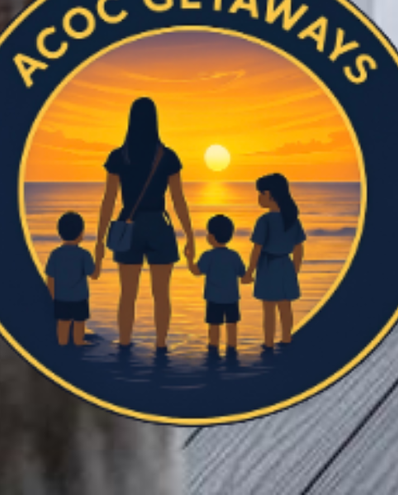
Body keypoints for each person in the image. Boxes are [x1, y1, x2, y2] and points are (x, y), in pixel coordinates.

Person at [91, 93, 194, 351]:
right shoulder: (167, 156)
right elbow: (178, 200)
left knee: (127, 295)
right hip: (159, 226)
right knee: (161, 294)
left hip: (128, 226)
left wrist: (100, 239)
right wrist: (190, 235)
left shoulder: (119, 156)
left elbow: (109, 200)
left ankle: (125, 343)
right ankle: (161, 346)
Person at [250, 172, 306, 351]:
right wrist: (295, 270)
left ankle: (268, 343)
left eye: (261, 193)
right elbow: (299, 248)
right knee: (285, 306)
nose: (259, 197)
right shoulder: (292, 219)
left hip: (268, 265)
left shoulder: (265, 221)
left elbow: (257, 248)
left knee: (269, 309)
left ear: (271, 195)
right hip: (286, 265)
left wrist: (250, 271)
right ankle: (287, 338)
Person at [196, 213, 248, 361]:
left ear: (211, 236)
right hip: (231, 298)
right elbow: (243, 275)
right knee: (232, 325)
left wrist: (188, 259)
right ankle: (232, 350)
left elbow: (197, 271)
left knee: (214, 326)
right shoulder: (234, 255)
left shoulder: (208, 255)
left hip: (213, 298)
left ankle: (213, 351)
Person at [46, 211, 95, 350]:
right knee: (79, 322)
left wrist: (52, 297)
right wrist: (98, 258)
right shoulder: (84, 254)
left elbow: (50, 278)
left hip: (61, 298)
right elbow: (93, 274)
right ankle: (78, 342)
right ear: (81, 234)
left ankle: (62, 344)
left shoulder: (55, 254)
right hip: (79, 298)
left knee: (62, 322)